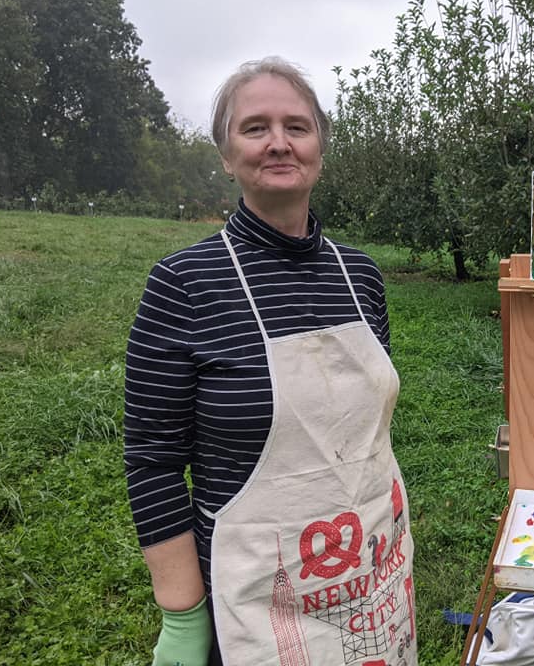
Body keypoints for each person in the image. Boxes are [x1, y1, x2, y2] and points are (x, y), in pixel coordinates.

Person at [124, 56, 417, 666]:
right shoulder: (184, 284)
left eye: (297, 127)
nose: (279, 143)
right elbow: (152, 462)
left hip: (372, 573)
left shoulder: (358, 275)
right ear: (228, 156)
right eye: (255, 128)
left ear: (319, 150)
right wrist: (182, 617)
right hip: (258, 597)